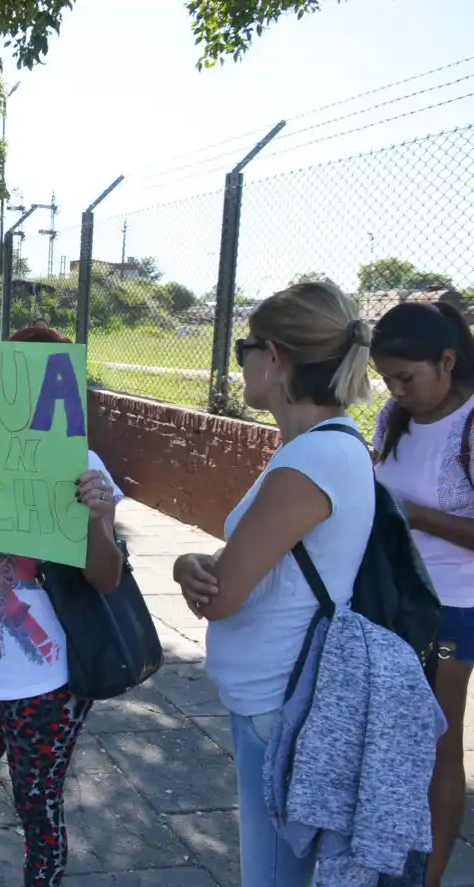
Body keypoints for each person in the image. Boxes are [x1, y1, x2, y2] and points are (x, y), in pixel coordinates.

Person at [173, 281, 375, 887]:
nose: (241, 362)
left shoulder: (310, 461)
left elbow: (221, 595)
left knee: (274, 875)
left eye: (245, 348)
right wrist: (192, 563)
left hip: (280, 701)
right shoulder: (316, 448)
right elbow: (255, 563)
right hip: (280, 693)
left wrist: (193, 571)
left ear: (277, 356)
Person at [0, 324, 126, 887]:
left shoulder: (82, 463)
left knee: (37, 803)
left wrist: (96, 520)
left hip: (49, 682)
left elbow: (106, 577)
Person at [370, 299, 474, 887]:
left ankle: (428, 878)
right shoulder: (396, 415)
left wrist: (413, 515)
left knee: (438, 741)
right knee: (389, 737)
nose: (396, 390)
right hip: (391, 598)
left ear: (448, 361)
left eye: (406, 377)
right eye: (387, 378)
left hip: (454, 609)